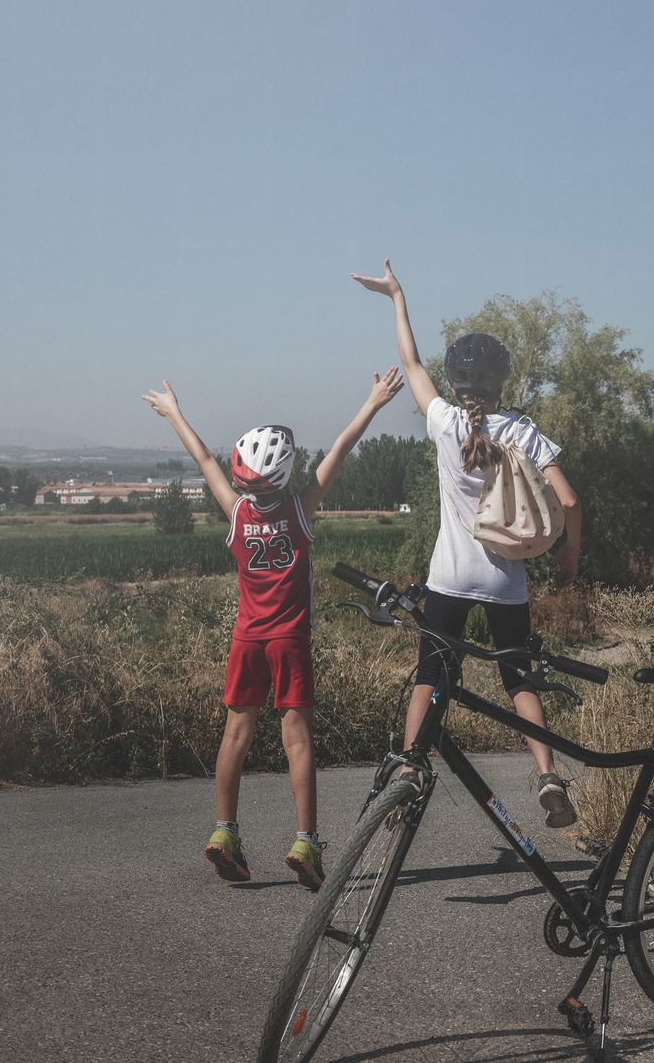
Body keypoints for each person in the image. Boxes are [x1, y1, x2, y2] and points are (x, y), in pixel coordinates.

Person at [142, 369, 404, 889]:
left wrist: (175, 413)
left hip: (246, 640)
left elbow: (203, 460)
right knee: (297, 740)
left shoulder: (237, 512)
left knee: (235, 735)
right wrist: (373, 402)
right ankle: (306, 841)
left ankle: (223, 833)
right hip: (290, 640)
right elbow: (340, 450)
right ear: (285, 475)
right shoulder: (301, 510)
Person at [352, 260, 583, 827]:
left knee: (432, 673)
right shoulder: (524, 432)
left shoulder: (446, 424)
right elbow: (571, 503)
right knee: (517, 676)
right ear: (503, 382)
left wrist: (397, 297)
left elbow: (410, 363)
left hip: (450, 578)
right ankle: (548, 774)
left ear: (455, 384)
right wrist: (569, 556)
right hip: (507, 581)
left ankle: (409, 767)